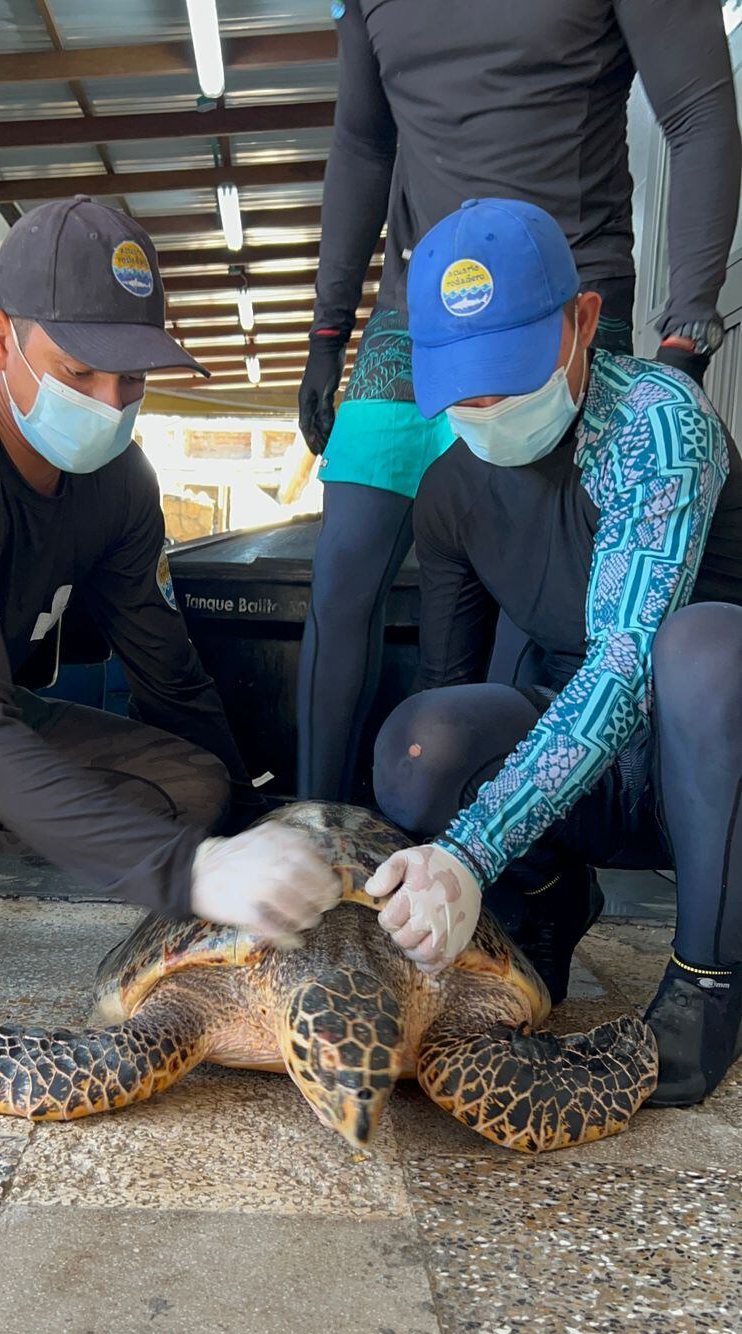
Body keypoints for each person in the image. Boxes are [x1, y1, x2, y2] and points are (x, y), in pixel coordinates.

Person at [0, 197, 340, 1083]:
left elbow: (168, 670)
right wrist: (184, 873)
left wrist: (247, 824)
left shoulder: (118, 483)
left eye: (133, 381)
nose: (110, 406)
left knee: (190, 786)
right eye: (79, 371)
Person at [297, 0, 740, 802]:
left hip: (559, 302)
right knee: (344, 567)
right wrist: (328, 326)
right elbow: (362, 141)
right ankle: (315, 831)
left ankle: (518, 876)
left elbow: (697, 109)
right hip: (417, 315)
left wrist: (689, 322)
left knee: (530, 603)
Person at [367, 197, 742, 1109]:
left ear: (581, 325)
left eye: (508, 374)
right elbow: (451, 679)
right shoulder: (450, 487)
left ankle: (709, 978)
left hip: (709, 767)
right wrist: (433, 864)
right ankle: (551, 902)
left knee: (699, 649)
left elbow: (624, 663)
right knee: (422, 742)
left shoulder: (660, 421)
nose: (485, 408)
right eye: (462, 384)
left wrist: (475, 847)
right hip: (587, 761)